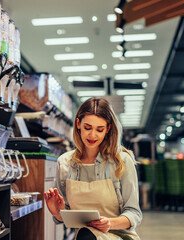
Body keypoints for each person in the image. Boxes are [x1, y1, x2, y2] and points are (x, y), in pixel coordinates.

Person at [44, 97, 142, 240]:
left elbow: (134, 212)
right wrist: (57, 212)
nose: (92, 135)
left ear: (108, 129)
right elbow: (68, 217)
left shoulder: (122, 161)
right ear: (78, 124)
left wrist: (109, 223)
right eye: (87, 127)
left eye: (99, 129)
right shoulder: (64, 163)